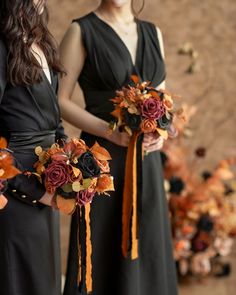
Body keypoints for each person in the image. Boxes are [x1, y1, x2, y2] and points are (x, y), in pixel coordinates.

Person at [59, 0, 178, 294]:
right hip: (102, 162)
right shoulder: (80, 31)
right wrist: (109, 133)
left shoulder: (154, 33)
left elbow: (162, 100)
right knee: (101, 249)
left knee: (148, 246)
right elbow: (59, 100)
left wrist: (160, 135)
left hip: (146, 161)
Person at [0, 0, 67, 294]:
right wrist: (34, 191)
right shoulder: (1, 46)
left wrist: (73, 162)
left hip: (47, 188)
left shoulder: (41, 40)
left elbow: (54, 121)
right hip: (15, 196)